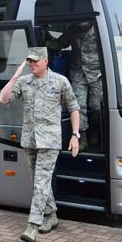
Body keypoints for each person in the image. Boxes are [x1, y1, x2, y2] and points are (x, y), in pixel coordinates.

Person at [0, 47, 80, 242]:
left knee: (41, 181)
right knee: (39, 180)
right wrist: (16, 75)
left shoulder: (60, 81)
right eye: (30, 61)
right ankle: (51, 215)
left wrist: (75, 135)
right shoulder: (24, 82)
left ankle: (32, 226)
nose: (32, 64)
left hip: (50, 141)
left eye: (35, 61)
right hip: (30, 140)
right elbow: (3, 99)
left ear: (46, 61)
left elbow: (74, 108)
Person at [44, 21, 102, 151]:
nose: (82, 24)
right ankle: (82, 137)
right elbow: (59, 44)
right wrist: (43, 40)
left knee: (96, 106)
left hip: (96, 74)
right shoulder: (73, 29)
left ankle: (95, 130)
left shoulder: (99, 29)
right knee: (78, 106)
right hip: (78, 73)